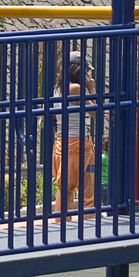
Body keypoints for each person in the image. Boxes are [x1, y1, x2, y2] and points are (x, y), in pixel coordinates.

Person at [52, 52, 96, 216]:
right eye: (86, 71)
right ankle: (89, 225)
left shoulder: (57, 89)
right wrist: (91, 88)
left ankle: (62, 227)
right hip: (77, 143)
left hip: (61, 142)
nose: (88, 75)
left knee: (65, 189)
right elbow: (95, 112)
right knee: (86, 190)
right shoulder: (75, 89)